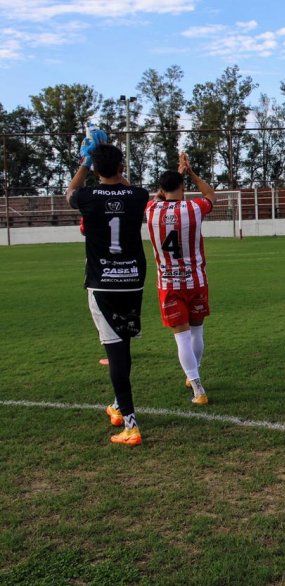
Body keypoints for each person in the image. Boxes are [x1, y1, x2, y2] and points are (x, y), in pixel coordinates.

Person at [66, 129, 148, 446]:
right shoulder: (138, 195)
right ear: (122, 166)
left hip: (102, 283)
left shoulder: (87, 197)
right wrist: (113, 170)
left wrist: (86, 162)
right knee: (123, 344)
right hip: (132, 282)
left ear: (97, 169)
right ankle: (117, 405)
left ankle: (130, 424)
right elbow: (126, 190)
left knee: (114, 349)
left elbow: (71, 191)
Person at [145, 152, 216, 405]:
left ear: (161, 190)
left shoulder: (151, 209)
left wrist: (176, 173)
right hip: (196, 280)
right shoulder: (194, 208)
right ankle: (193, 376)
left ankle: (197, 388)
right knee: (197, 331)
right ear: (183, 187)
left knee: (181, 336)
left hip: (169, 283)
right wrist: (191, 172)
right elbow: (210, 195)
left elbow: (159, 196)